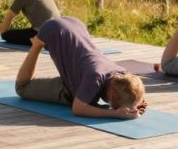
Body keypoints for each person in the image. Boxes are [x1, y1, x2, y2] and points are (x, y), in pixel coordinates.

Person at [15, 16, 147, 119]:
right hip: (50, 30)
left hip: (74, 23)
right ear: (112, 94)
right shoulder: (95, 76)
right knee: (22, 88)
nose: (114, 107)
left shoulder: (123, 73)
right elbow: (78, 108)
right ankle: (36, 44)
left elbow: (132, 88)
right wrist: (115, 113)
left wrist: (137, 102)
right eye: (115, 105)